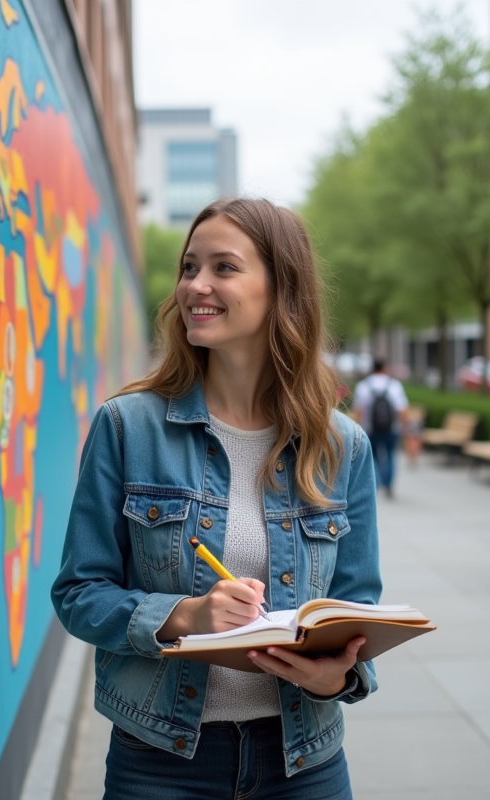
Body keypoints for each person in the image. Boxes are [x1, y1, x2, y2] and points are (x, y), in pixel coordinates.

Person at [52, 198, 382, 800]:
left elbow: (356, 605)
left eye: (223, 268)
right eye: (188, 267)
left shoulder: (343, 445)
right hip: (160, 761)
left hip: (304, 764)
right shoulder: (127, 427)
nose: (194, 286)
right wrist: (185, 616)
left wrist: (336, 676)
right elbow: (79, 594)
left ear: (281, 290)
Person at [351, 358, 409, 498]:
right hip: (391, 429)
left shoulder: (363, 385)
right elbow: (402, 410)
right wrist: (405, 427)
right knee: (389, 456)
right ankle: (388, 485)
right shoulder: (394, 385)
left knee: (374, 457)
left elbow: (358, 411)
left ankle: (375, 485)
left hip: (370, 429)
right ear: (385, 368)